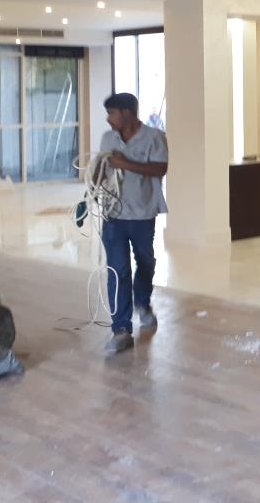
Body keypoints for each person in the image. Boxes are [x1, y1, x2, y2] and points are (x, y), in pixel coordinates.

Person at [100, 92, 168, 355]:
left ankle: (142, 301)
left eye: (112, 113)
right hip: (113, 214)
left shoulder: (154, 137)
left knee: (145, 261)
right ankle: (121, 330)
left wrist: (124, 163)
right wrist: (95, 176)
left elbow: (160, 169)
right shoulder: (108, 138)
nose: (108, 119)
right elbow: (102, 170)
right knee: (117, 270)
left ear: (127, 113)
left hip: (142, 214)